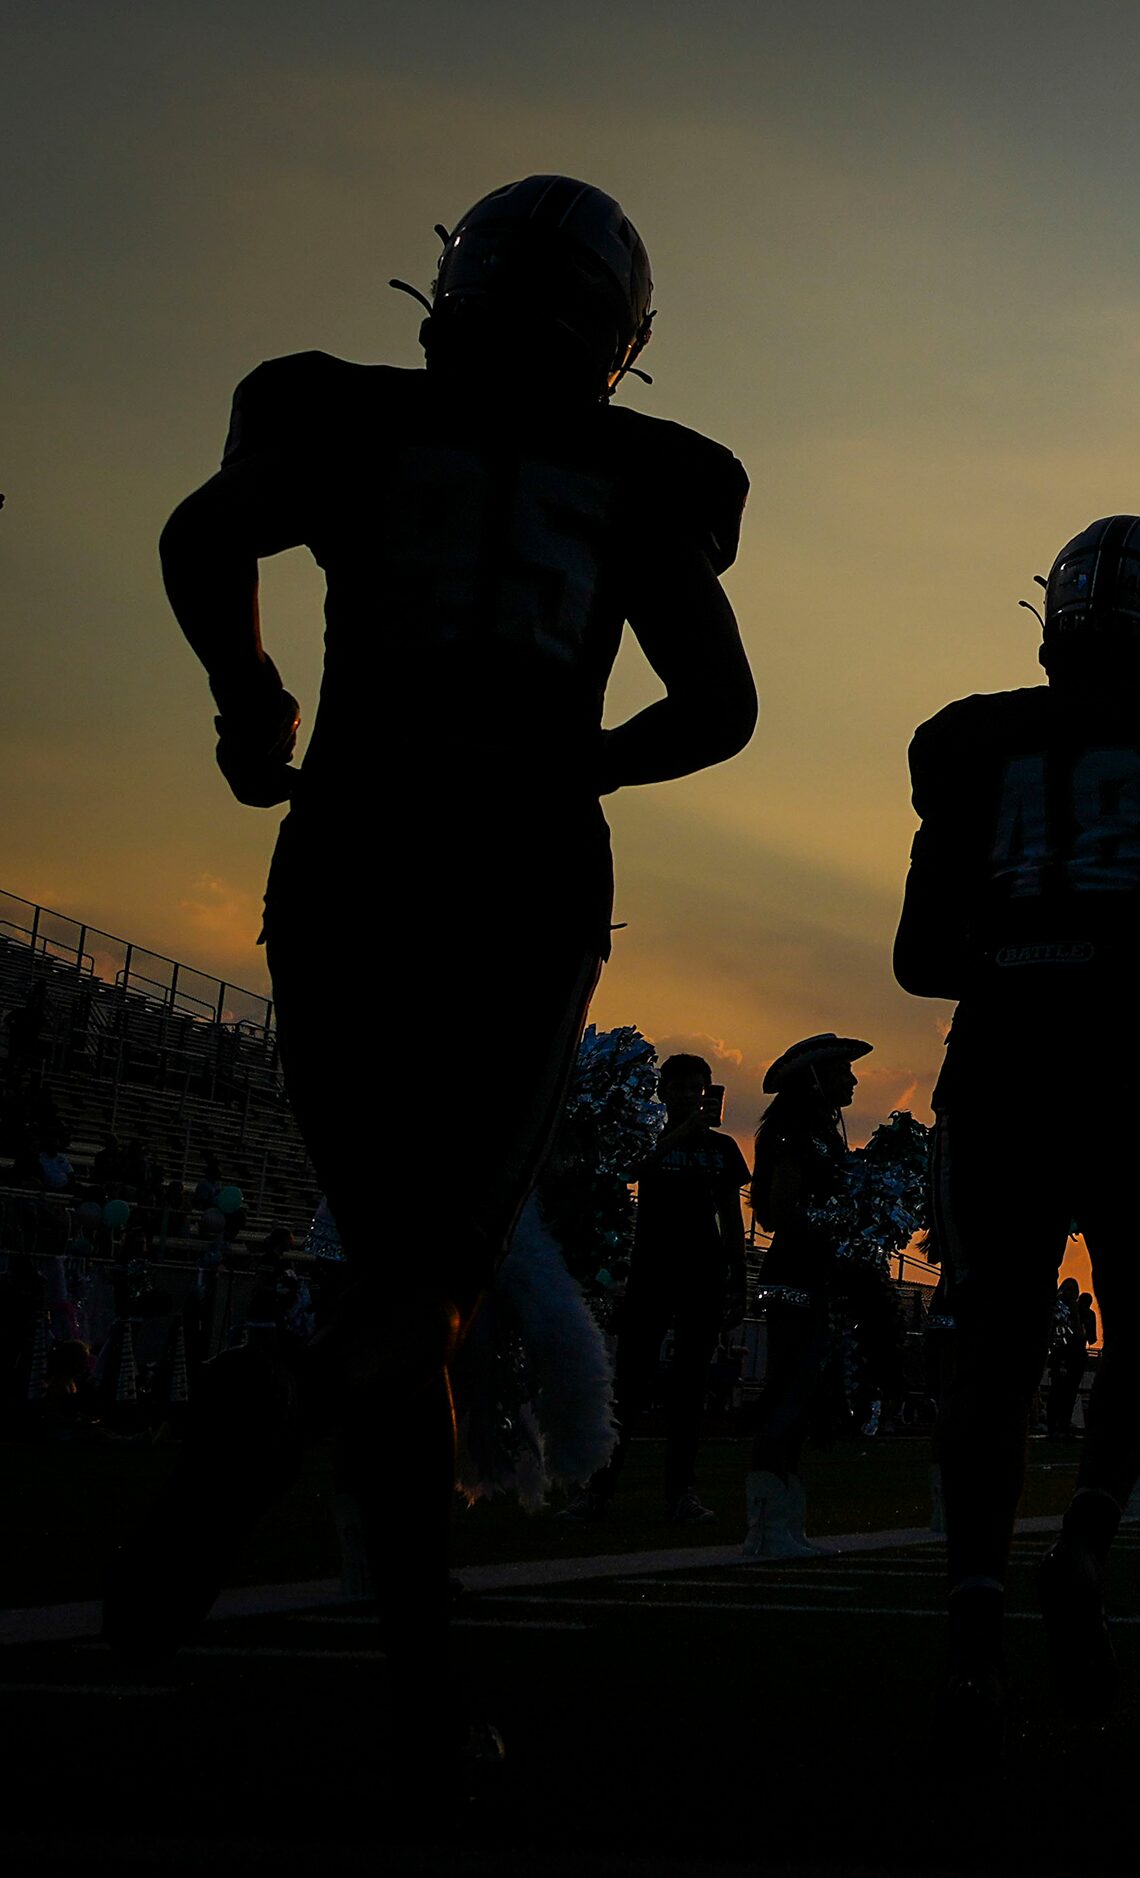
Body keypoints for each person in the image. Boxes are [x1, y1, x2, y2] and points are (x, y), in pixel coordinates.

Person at [110, 175, 756, 1769]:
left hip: (348, 846)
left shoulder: (342, 415)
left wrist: (248, 691)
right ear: (620, 336)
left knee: (401, 1266)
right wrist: (578, 764)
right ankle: (290, 1393)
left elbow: (205, 532)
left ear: (453, 286)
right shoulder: (637, 469)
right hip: (514, 872)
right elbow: (721, 702)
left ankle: (422, 1688)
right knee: (428, 1285)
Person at [894, 514, 1140, 1760]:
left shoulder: (972, 743)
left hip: (1002, 1060)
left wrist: (1024, 950)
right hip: (1134, 1060)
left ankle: (971, 1633)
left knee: (992, 1342)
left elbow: (916, 958)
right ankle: (1084, 1542)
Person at [564, 1054, 747, 1523]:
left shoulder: (724, 1150)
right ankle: (597, 1491)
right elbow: (630, 1170)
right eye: (680, 1087)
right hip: (651, 1272)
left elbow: (731, 1216)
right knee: (628, 1385)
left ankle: (680, 1493)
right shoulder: (649, 1141)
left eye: (697, 1088)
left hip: (703, 1274)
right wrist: (681, 1134)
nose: (689, 1096)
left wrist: (738, 1279)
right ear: (663, 1092)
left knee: (690, 1389)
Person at [741, 1033, 877, 1557]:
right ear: (817, 1079)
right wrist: (842, 1222)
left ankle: (783, 1524)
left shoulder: (817, 1132)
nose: (854, 1080)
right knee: (789, 1396)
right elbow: (777, 1212)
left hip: (812, 1276)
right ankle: (768, 1529)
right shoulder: (796, 1132)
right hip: (796, 1278)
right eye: (844, 1072)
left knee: (802, 1398)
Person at [1044, 1276, 1093, 1440]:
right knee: (1060, 1392)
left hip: (1072, 1356)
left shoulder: (1075, 1310)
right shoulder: (1062, 1310)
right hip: (1064, 1356)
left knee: (1067, 1392)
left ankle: (1061, 1425)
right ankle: (1056, 1426)